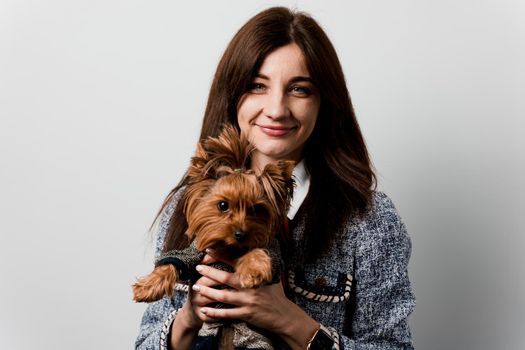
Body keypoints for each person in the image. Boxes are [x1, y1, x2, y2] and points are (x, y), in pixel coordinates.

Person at [136, 6, 415, 350]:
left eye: (299, 89)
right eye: (257, 86)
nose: (277, 108)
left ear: (323, 103)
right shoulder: (186, 204)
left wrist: (290, 321)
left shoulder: (367, 219)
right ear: (232, 94)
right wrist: (188, 319)